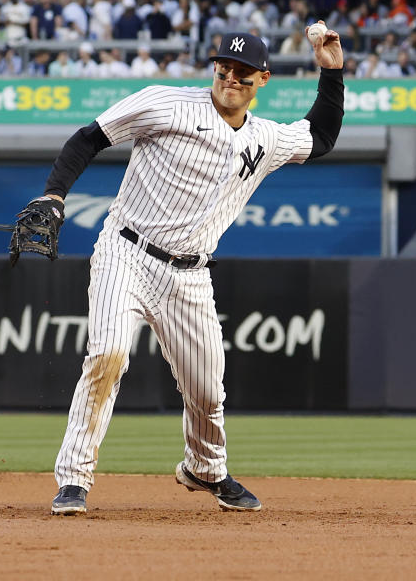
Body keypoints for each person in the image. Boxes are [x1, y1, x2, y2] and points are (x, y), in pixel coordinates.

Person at [25, 28, 344, 516]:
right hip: (125, 251)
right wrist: (54, 194)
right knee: (107, 354)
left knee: (206, 388)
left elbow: (320, 135)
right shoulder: (166, 104)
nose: (230, 76)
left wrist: (331, 70)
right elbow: (87, 139)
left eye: (242, 72)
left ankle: (206, 469)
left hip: (190, 273)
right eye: (224, 67)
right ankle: (74, 479)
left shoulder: (266, 138)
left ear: (262, 79)